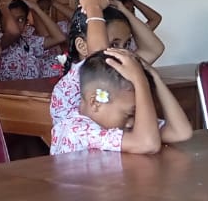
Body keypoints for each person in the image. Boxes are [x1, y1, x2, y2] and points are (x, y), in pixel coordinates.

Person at [50, 0, 166, 126]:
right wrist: (94, 8)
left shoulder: (118, 68)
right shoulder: (78, 77)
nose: (123, 51)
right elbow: (99, 53)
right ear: (82, 46)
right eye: (114, 44)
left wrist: (121, 8)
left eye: (126, 44)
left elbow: (153, 49)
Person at [50, 49, 192, 155]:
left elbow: (180, 132)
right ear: (96, 102)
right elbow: (148, 144)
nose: (132, 123)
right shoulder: (75, 131)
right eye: (128, 114)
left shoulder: (113, 125)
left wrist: (155, 77)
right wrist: (140, 81)